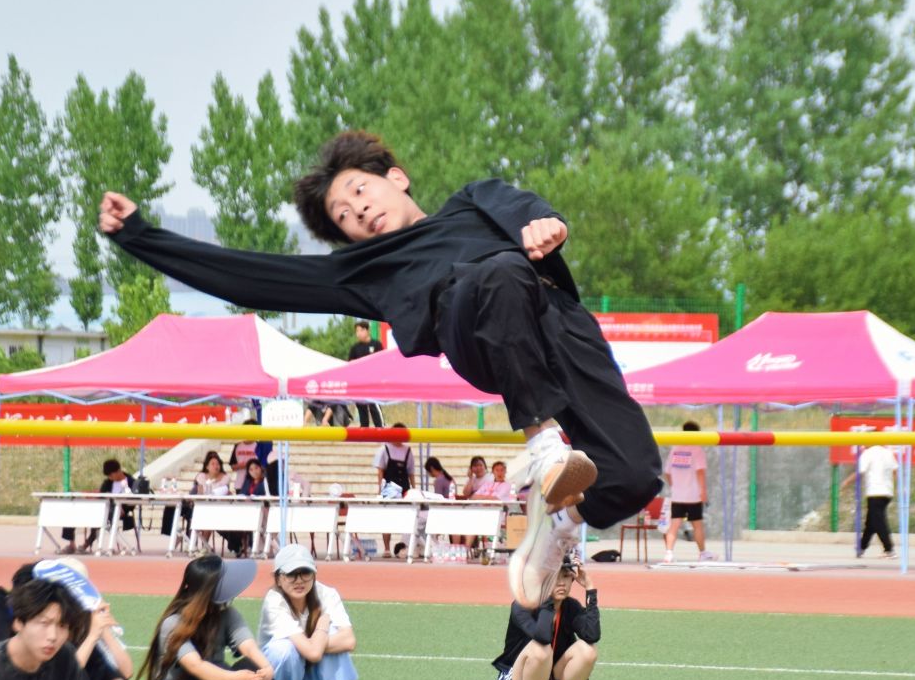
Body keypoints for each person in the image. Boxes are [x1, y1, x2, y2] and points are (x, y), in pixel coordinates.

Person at [98, 131, 659, 613]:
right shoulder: (366, 270)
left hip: (561, 325)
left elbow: (528, 210)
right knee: (501, 271)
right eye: (344, 216)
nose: (358, 211)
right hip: (477, 325)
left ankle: (557, 526)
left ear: (397, 177)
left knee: (634, 475)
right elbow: (248, 276)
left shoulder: (473, 202)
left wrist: (547, 226)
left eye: (360, 191)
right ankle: (543, 449)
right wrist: (140, 235)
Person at [141, 553, 294, 680]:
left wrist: (266, 670)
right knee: (213, 674)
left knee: (250, 665)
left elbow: (249, 648)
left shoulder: (227, 614)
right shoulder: (173, 623)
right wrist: (234, 678)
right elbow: (196, 666)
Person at [491, 552, 599, 680]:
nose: (562, 583)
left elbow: (592, 635)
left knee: (588, 650)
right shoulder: (523, 605)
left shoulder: (570, 607)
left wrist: (590, 589)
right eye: (554, 577)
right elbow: (543, 637)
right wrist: (546, 597)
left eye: (566, 576)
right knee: (540, 649)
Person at [258, 543, 359, 680]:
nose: (299, 580)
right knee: (284, 649)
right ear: (278, 578)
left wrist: (314, 643)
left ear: (314, 573)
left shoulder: (327, 593)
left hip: (312, 676)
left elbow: (349, 640)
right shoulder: (274, 601)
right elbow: (313, 653)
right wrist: (321, 626)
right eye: (291, 574)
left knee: (333, 636)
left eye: (305, 572)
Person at [661, 421, 712, 563]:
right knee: (697, 525)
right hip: (693, 495)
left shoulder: (675, 449)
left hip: (678, 495)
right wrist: (703, 491)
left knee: (674, 524)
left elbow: (667, 472)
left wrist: (675, 486)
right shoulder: (697, 450)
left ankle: (669, 553)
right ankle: (702, 553)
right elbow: (700, 472)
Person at [850, 438, 898, 557]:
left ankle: (889, 549)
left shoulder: (868, 453)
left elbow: (860, 472)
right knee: (871, 522)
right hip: (887, 492)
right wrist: (894, 486)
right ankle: (861, 547)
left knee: (878, 521)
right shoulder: (888, 453)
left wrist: (846, 483)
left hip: (875, 491)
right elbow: (895, 471)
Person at [346, 320, 385, 427]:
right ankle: (364, 430)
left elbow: (382, 362)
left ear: (367, 330)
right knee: (361, 408)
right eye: (356, 331)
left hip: (373, 383)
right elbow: (350, 364)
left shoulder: (376, 345)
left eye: (360, 330)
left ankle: (380, 429)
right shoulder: (355, 348)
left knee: (374, 406)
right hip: (359, 383)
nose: (358, 333)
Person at [375, 427, 415, 496]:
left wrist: (414, 489)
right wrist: (380, 490)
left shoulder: (408, 451)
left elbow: (411, 473)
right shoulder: (384, 449)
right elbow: (380, 471)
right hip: (389, 491)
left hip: (404, 489)